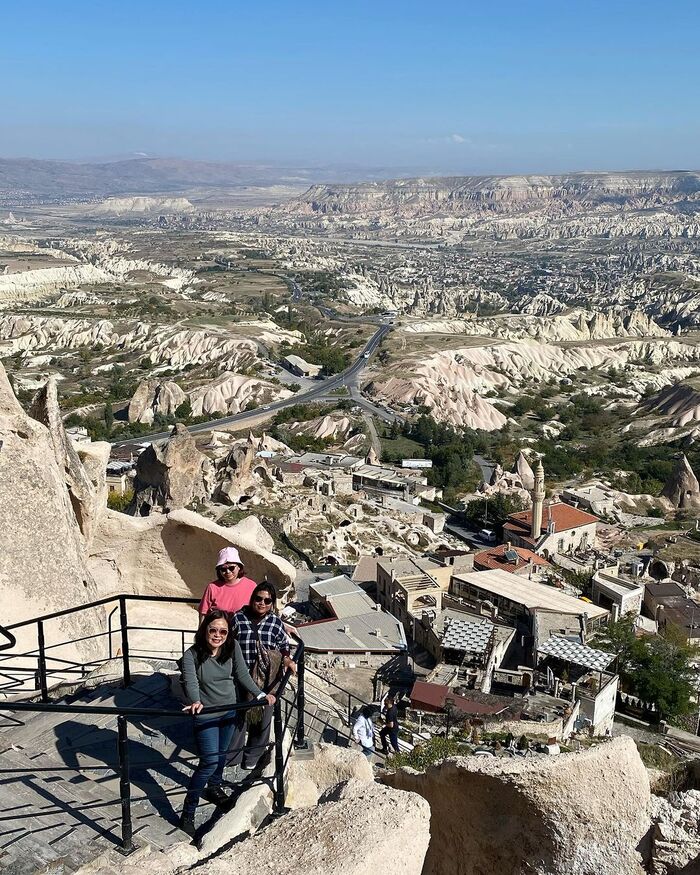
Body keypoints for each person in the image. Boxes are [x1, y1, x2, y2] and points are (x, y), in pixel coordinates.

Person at [179, 609, 275, 838]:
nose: (218, 635)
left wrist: (260, 695)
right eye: (213, 630)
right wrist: (195, 701)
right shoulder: (192, 655)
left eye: (223, 631)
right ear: (204, 630)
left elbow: (242, 675)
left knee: (221, 754)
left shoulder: (232, 649)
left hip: (229, 711)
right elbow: (191, 681)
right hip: (206, 714)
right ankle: (188, 810)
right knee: (209, 761)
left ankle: (214, 787)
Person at [228, 582, 296, 773]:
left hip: (266, 678)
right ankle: (233, 756)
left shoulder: (274, 622)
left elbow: (283, 645)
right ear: (252, 598)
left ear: (272, 603)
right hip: (241, 676)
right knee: (238, 716)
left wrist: (288, 660)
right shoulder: (239, 618)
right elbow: (229, 643)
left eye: (267, 600)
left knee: (263, 719)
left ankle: (252, 756)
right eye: (258, 598)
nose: (262, 603)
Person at [198, 547, 257, 622]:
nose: (228, 572)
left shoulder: (251, 586)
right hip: (219, 632)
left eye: (231, 568)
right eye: (223, 569)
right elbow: (203, 612)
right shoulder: (212, 587)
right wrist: (201, 632)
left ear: (239, 567)